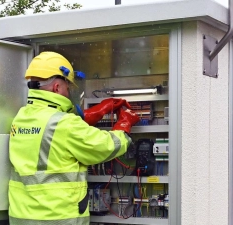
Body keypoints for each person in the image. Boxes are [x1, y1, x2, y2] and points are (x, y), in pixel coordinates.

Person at [8, 51, 140, 225]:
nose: (69, 90)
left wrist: (99, 110)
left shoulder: (22, 117)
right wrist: (124, 125)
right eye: (67, 86)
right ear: (57, 87)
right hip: (57, 219)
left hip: (22, 217)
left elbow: (59, 129)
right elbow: (104, 146)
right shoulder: (63, 124)